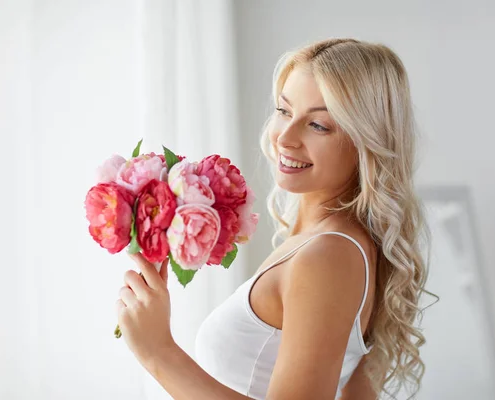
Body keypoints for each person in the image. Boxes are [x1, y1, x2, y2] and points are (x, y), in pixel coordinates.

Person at [116, 38, 433, 400]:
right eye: (284, 111)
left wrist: (158, 352)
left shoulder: (328, 256)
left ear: (368, 142)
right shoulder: (331, 246)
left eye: (318, 125)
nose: (285, 136)